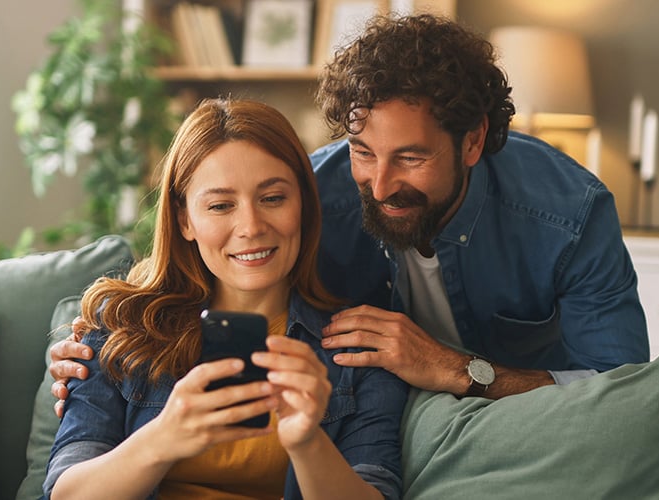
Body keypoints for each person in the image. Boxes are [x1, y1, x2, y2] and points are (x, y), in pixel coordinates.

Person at [50, 13, 647, 408]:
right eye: (364, 151)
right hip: (365, 424)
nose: (380, 183)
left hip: (515, 422)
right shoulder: (314, 190)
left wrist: (456, 369)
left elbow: (624, 391)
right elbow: (209, 263)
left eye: (409, 158)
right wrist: (98, 342)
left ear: (471, 142)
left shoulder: (568, 214)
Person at [43, 98, 407, 500]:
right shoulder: (120, 328)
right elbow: (66, 493)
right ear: (185, 220)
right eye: (220, 206)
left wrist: (307, 442)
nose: (250, 226)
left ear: (303, 204)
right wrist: (165, 436)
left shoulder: (357, 351)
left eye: (273, 198)